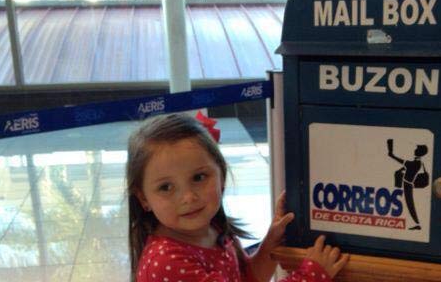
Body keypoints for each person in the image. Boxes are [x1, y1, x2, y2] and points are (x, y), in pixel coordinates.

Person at [127, 113, 349, 282]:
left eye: (198, 177)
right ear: (143, 198)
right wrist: (312, 275)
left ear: (221, 175)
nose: (188, 197)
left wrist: (272, 239)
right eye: (165, 187)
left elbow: (249, 277)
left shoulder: (214, 229)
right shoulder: (166, 263)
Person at [387, 140, 429, 231]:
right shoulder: (417, 162)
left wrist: (392, 155)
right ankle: (416, 223)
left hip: (408, 185)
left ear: (420, 152)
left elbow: (405, 163)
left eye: (417, 149)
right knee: (409, 204)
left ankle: (417, 224)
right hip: (407, 183)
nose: (415, 150)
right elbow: (406, 166)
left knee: (410, 205)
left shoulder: (417, 163)